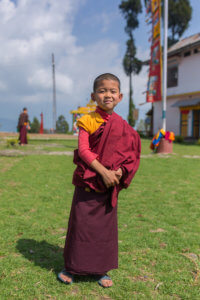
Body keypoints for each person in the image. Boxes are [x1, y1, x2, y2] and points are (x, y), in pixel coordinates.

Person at [58, 73, 141, 288]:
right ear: (93, 95)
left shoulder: (123, 126)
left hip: (108, 185)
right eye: (102, 91)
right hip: (90, 182)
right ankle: (72, 267)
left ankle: (100, 269)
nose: (107, 95)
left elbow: (131, 155)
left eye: (112, 91)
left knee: (104, 230)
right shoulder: (87, 120)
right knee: (81, 226)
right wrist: (103, 171)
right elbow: (84, 151)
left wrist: (120, 172)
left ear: (120, 96)